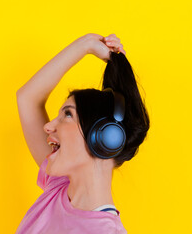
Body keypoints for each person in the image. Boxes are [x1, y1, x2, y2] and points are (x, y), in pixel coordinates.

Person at [16, 33, 150, 233]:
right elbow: (27, 99)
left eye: (67, 115)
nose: (48, 126)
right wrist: (85, 45)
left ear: (104, 137)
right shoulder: (58, 188)